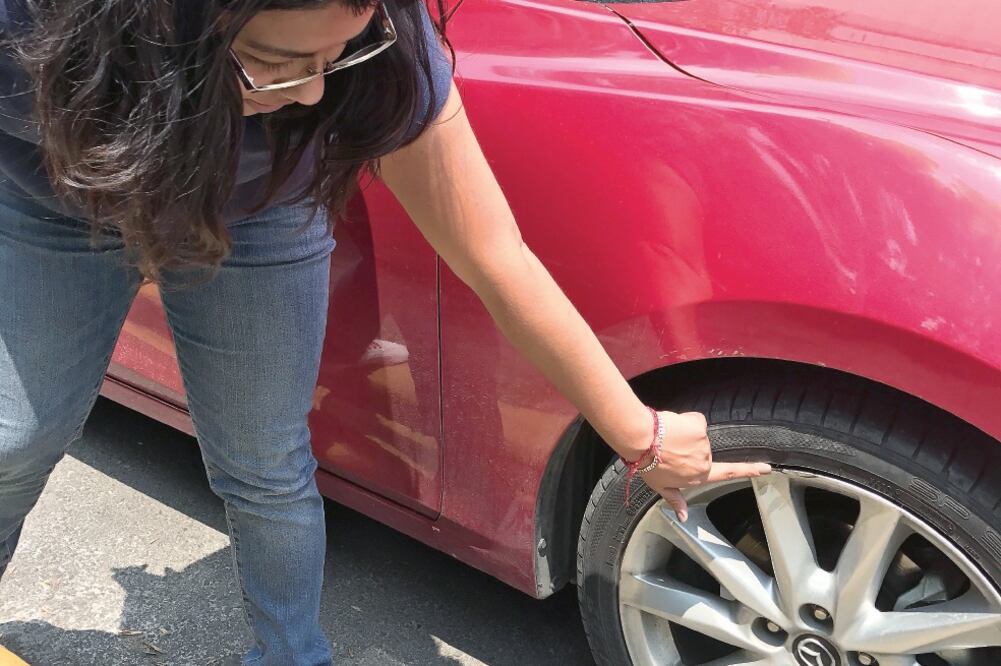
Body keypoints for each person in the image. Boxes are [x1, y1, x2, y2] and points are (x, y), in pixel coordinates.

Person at [0, 0, 771, 664]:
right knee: (14, 440)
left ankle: (292, 655)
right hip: (57, 200)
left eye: (338, 54)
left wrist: (641, 436)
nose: (310, 93)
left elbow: (497, 260)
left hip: (264, 211)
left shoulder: (386, 56)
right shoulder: (30, 26)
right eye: (273, 61)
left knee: (266, 464)